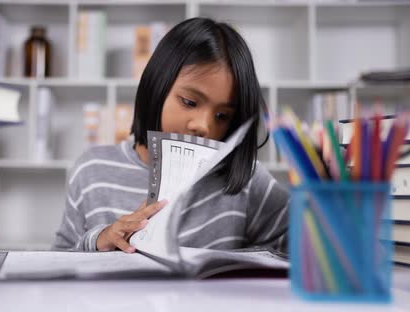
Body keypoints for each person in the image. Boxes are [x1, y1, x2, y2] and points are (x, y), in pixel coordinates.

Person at [52, 17, 289, 254]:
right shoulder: (92, 169)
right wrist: (97, 240)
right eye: (189, 102)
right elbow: (57, 261)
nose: (203, 126)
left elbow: (302, 248)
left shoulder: (245, 178)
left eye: (222, 116)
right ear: (157, 86)